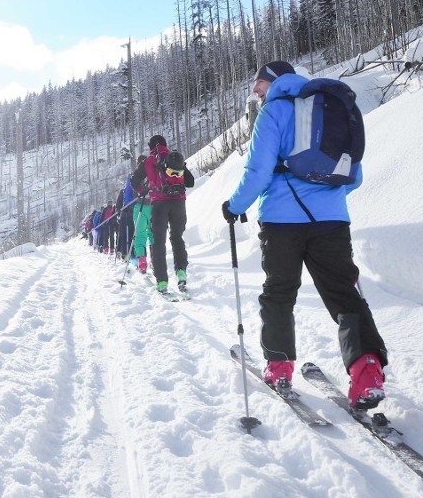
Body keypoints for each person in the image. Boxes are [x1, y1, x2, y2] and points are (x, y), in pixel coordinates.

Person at [222, 60, 387, 409]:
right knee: (344, 294)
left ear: (277, 81)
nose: (255, 89)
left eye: (260, 82)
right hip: (332, 221)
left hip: (281, 223)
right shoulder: (330, 107)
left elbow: (258, 171)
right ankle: (367, 371)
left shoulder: (274, 112)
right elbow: (352, 176)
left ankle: (279, 366)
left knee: (280, 292)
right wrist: (325, 198)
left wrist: (234, 206)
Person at [144, 135, 193, 293]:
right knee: (177, 237)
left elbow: (135, 182)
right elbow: (190, 182)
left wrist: (144, 189)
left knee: (158, 242)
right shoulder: (175, 157)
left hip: (159, 204)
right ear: (165, 144)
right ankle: (181, 273)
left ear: (150, 147)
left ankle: (162, 282)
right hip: (179, 203)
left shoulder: (149, 161)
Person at [129, 155, 153, 273]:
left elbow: (129, 194)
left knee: (139, 235)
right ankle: (154, 260)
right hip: (155, 205)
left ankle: (142, 263)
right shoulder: (154, 168)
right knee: (153, 234)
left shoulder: (136, 175)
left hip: (140, 206)